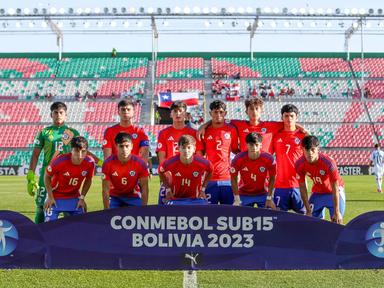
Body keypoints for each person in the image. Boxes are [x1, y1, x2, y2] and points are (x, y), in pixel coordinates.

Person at [27, 102, 81, 224]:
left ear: (66, 115)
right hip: (47, 175)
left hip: (67, 175)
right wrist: (30, 175)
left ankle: (68, 237)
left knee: (69, 210)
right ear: (51, 114)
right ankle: (38, 236)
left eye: (61, 112)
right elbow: (35, 155)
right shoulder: (44, 132)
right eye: (55, 112)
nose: (58, 115)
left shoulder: (72, 133)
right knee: (41, 207)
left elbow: (81, 153)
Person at [156, 101, 203, 204]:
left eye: (180, 111)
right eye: (175, 111)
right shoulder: (163, 133)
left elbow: (199, 157)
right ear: (170, 114)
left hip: (189, 176)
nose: (178, 114)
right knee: (164, 211)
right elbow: (162, 157)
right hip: (170, 176)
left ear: (185, 114)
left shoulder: (193, 133)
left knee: (191, 209)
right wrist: (165, 175)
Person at [295, 135, 345, 224]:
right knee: (310, 222)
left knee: (337, 222)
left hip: (333, 192)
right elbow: (302, 188)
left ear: (318, 149)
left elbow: (335, 188)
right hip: (317, 193)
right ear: (302, 149)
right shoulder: (299, 164)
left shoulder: (329, 163)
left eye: (312, 149)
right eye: (307, 150)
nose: (310, 153)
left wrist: (337, 211)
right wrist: (307, 210)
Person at [44, 136, 95, 222]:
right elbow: (46, 176)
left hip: (74, 197)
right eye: (76, 151)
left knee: (82, 225)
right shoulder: (60, 161)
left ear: (87, 151)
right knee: (49, 225)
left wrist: (82, 198)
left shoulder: (90, 163)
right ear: (71, 150)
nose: (80, 155)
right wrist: (50, 196)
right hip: (55, 196)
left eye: (83, 151)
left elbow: (88, 179)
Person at [201, 100, 239, 204]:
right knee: (209, 215)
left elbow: (236, 150)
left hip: (227, 179)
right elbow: (200, 155)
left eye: (221, 112)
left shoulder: (231, 130)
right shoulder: (204, 131)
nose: (218, 114)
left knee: (228, 215)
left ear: (225, 113)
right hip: (209, 179)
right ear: (210, 113)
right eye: (215, 112)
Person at [272, 104, 307, 214]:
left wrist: (305, 131)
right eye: (286, 116)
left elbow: (314, 150)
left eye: (292, 116)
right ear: (282, 117)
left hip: (299, 185)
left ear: (297, 117)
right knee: (279, 220)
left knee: (305, 219)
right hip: (280, 185)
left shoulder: (302, 136)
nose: (289, 119)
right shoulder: (276, 136)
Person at [158, 135, 213, 205]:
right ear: (178, 148)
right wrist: (168, 189)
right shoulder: (171, 162)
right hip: (176, 199)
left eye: (189, 147)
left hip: (195, 200)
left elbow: (211, 170)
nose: (186, 151)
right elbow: (160, 171)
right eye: (183, 148)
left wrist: (203, 189)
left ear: (194, 149)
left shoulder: (202, 162)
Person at [102, 133, 149, 208]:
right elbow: (105, 189)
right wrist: (107, 211)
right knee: (110, 216)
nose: (124, 149)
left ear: (132, 146)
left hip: (133, 196)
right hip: (114, 197)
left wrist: (143, 209)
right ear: (116, 146)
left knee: (139, 215)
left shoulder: (140, 163)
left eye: (127, 146)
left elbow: (144, 188)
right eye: (121, 146)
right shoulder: (108, 163)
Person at [230, 132, 276, 209]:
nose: (254, 148)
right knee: (238, 215)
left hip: (263, 193)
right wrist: (237, 198)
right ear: (247, 145)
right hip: (244, 193)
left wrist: (269, 198)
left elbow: (272, 178)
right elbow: (233, 178)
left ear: (261, 145)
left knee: (271, 214)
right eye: (251, 145)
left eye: (256, 145)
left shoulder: (269, 159)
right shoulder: (238, 159)